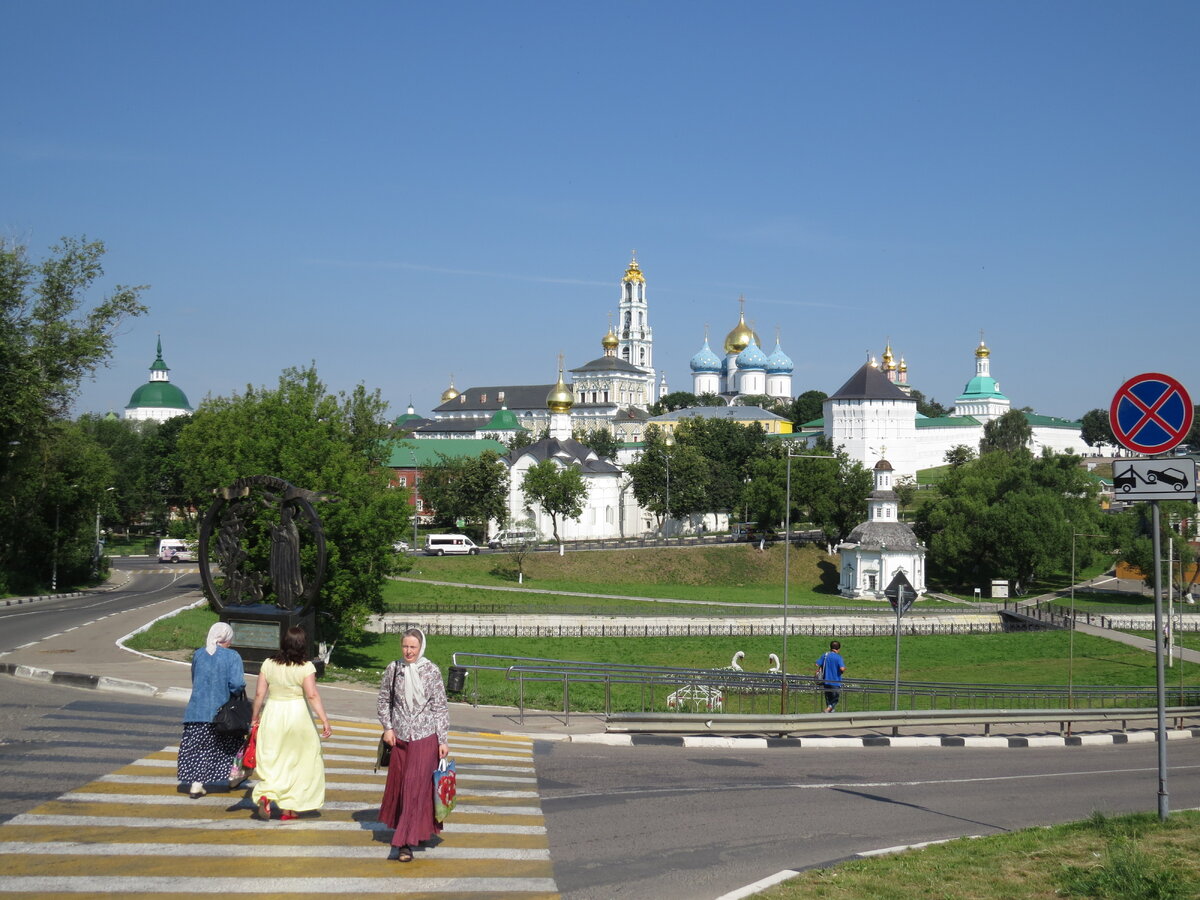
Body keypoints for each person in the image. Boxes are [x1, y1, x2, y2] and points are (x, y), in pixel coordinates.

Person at [377, 627, 450, 862]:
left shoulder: (431, 671)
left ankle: (403, 843)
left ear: (421, 647)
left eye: (413, 647)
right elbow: (383, 700)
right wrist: (387, 727)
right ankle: (411, 830)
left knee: (415, 788)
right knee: (402, 788)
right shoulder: (394, 669)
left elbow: (440, 707)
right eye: (405, 646)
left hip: (425, 737)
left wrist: (443, 740)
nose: (408, 651)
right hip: (399, 738)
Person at [250, 625, 332, 821]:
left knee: (274, 759)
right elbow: (312, 695)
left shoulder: (268, 664)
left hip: (273, 714)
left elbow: (260, 693)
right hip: (297, 716)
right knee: (299, 762)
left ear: (283, 642)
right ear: (302, 644)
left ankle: (267, 794)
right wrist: (325, 720)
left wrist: (254, 717)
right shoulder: (306, 667)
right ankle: (289, 809)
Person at [178, 622, 247, 799]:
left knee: (199, 749)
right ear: (226, 637)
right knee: (229, 747)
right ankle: (233, 777)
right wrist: (235, 692)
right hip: (221, 714)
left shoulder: (199, 654)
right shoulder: (232, 656)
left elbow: (195, 678)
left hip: (196, 711)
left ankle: (196, 784)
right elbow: (237, 684)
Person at [814, 640, 846, 713]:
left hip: (826, 681)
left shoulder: (825, 655)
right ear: (838, 649)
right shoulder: (838, 657)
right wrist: (842, 670)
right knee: (835, 699)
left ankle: (829, 714)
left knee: (828, 699)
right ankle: (829, 709)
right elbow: (842, 668)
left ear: (830, 647)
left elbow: (817, 664)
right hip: (835, 682)